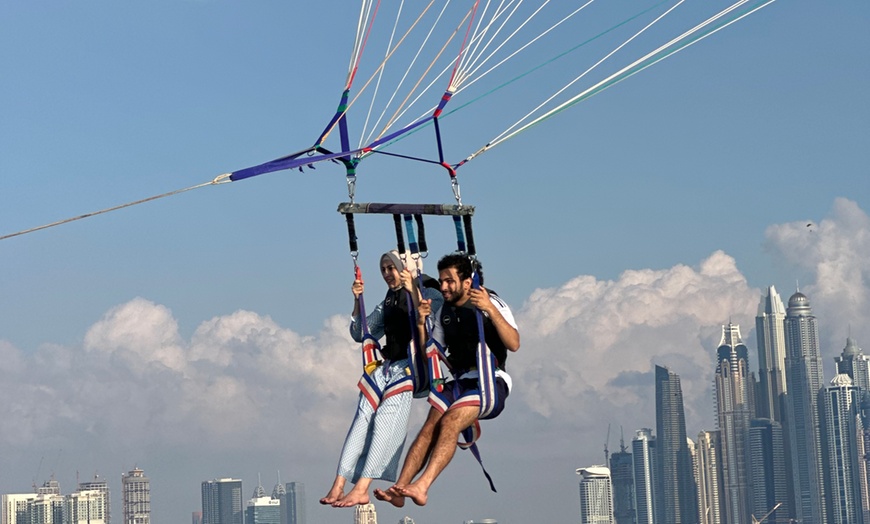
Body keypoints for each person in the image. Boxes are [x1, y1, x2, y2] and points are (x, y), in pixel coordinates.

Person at [374, 253, 520, 507]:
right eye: (442, 281)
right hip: (461, 381)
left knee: (451, 421)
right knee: (430, 424)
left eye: (449, 281)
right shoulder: (444, 312)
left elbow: (514, 343)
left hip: (490, 381)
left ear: (467, 282)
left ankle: (422, 486)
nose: (443, 287)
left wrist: (489, 309)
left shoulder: (492, 301)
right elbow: (430, 351)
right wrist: (421, 324)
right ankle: (400, 489)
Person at [320, 251, 443, 508]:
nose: (387, 274)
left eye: (392, 268)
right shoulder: (389, 298)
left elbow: (430, 324)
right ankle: (340, 483)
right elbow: (359, 332)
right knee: (361, 418)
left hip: (410, 369)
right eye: (384, 269)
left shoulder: (430, 290)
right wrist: (357, 300)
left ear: (405, 268)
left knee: (386, 422)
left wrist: (413, 291)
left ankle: (362, 487)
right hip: (386, 368)